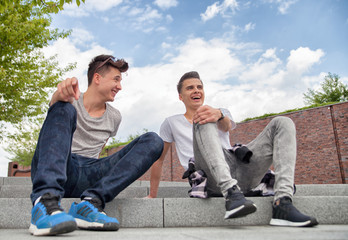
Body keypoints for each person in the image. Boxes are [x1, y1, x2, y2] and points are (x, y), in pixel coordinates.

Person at [147, 71, 318, 227]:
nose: (196, 90)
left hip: (241, 169)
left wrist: (219, 115)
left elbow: (227, 126)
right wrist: (152, 195)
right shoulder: (170, 122)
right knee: (203, 116)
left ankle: (283, 204)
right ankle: (231, 195)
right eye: (190, 88)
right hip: (210, 175)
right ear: (180, 96)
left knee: (283, 122)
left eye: (199, 87)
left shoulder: (220, 112)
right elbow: (159, 160)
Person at [29, 54, 164, 236]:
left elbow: (100, 148)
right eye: (116, 79)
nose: (120, 86)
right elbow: (53, 125)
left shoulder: (114, 117)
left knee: (154, 140)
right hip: (61, 164)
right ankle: (45, 202)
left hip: (90, 172)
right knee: (63, 107)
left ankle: (90, 203)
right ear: (97, 78)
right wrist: (57, 97)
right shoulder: (71, 98)